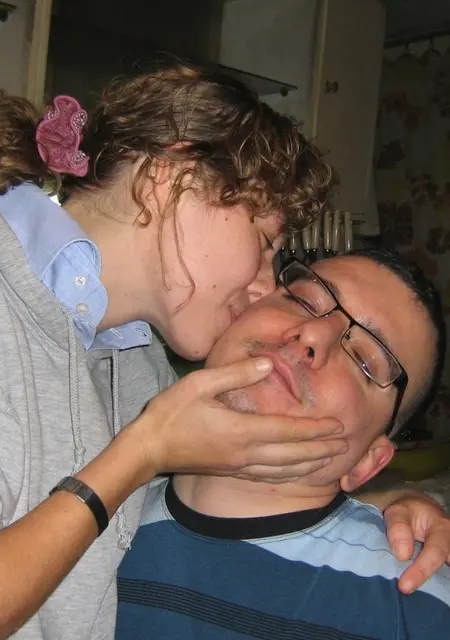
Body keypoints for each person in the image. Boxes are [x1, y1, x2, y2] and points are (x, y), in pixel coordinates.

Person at [0, 56, 449, 639]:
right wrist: (142, 452)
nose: (264, 287)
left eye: (365, 360)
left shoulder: (136, 368)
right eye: (265, 242)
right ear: (172, 174)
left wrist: (387, 505)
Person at [116, 248, 450, 640]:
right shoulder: (95, 505)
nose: (312, 334)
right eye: (304, 300)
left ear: (367, 462)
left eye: (364, 360)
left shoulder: (417, 605)